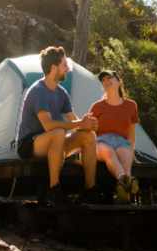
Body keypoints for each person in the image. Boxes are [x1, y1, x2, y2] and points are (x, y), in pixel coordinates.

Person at [15, 46, 100, 205]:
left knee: (88, 136)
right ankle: (54, 189)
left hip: (55, 142)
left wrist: (87, 125)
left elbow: (74, 121)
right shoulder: (38, 91)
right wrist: (79, 123)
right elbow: (48, 126)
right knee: (58, 132)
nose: (67, 69)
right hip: (30, 144)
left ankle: (90, 190)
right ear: (54, 68)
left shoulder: (62, 93)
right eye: (64, 65)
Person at [90, 70, 140, 203]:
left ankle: (124, 192)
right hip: (101, 142)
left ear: (119, 81)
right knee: (109, 152)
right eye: (103, 80)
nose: (106, 81)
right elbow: (89, 130)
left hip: (122, 142)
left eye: (109, 78)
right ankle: (125, 179)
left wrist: (131, 150)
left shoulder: (131, 105)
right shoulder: (97, 106)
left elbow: (131, 132)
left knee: (125, 153)